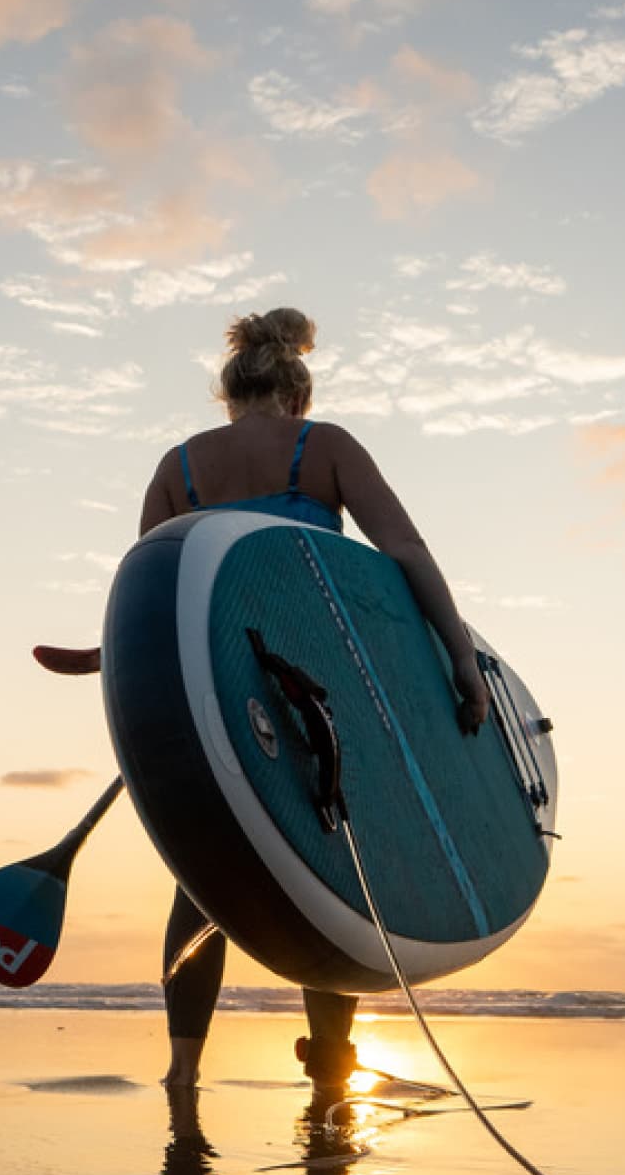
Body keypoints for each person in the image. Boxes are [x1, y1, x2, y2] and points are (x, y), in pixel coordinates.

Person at [37, 306, 489, 1090]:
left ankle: (183, 1068)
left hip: (214, 696)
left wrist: (101, 660)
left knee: (204, 873)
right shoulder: (325, 447)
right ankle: (333, 1065)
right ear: (297, 395)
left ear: (230, 392)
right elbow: (405, 550)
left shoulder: (178, 467)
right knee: (329, 859)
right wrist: (460, 657)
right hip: (316, 687)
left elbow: (146, 600)